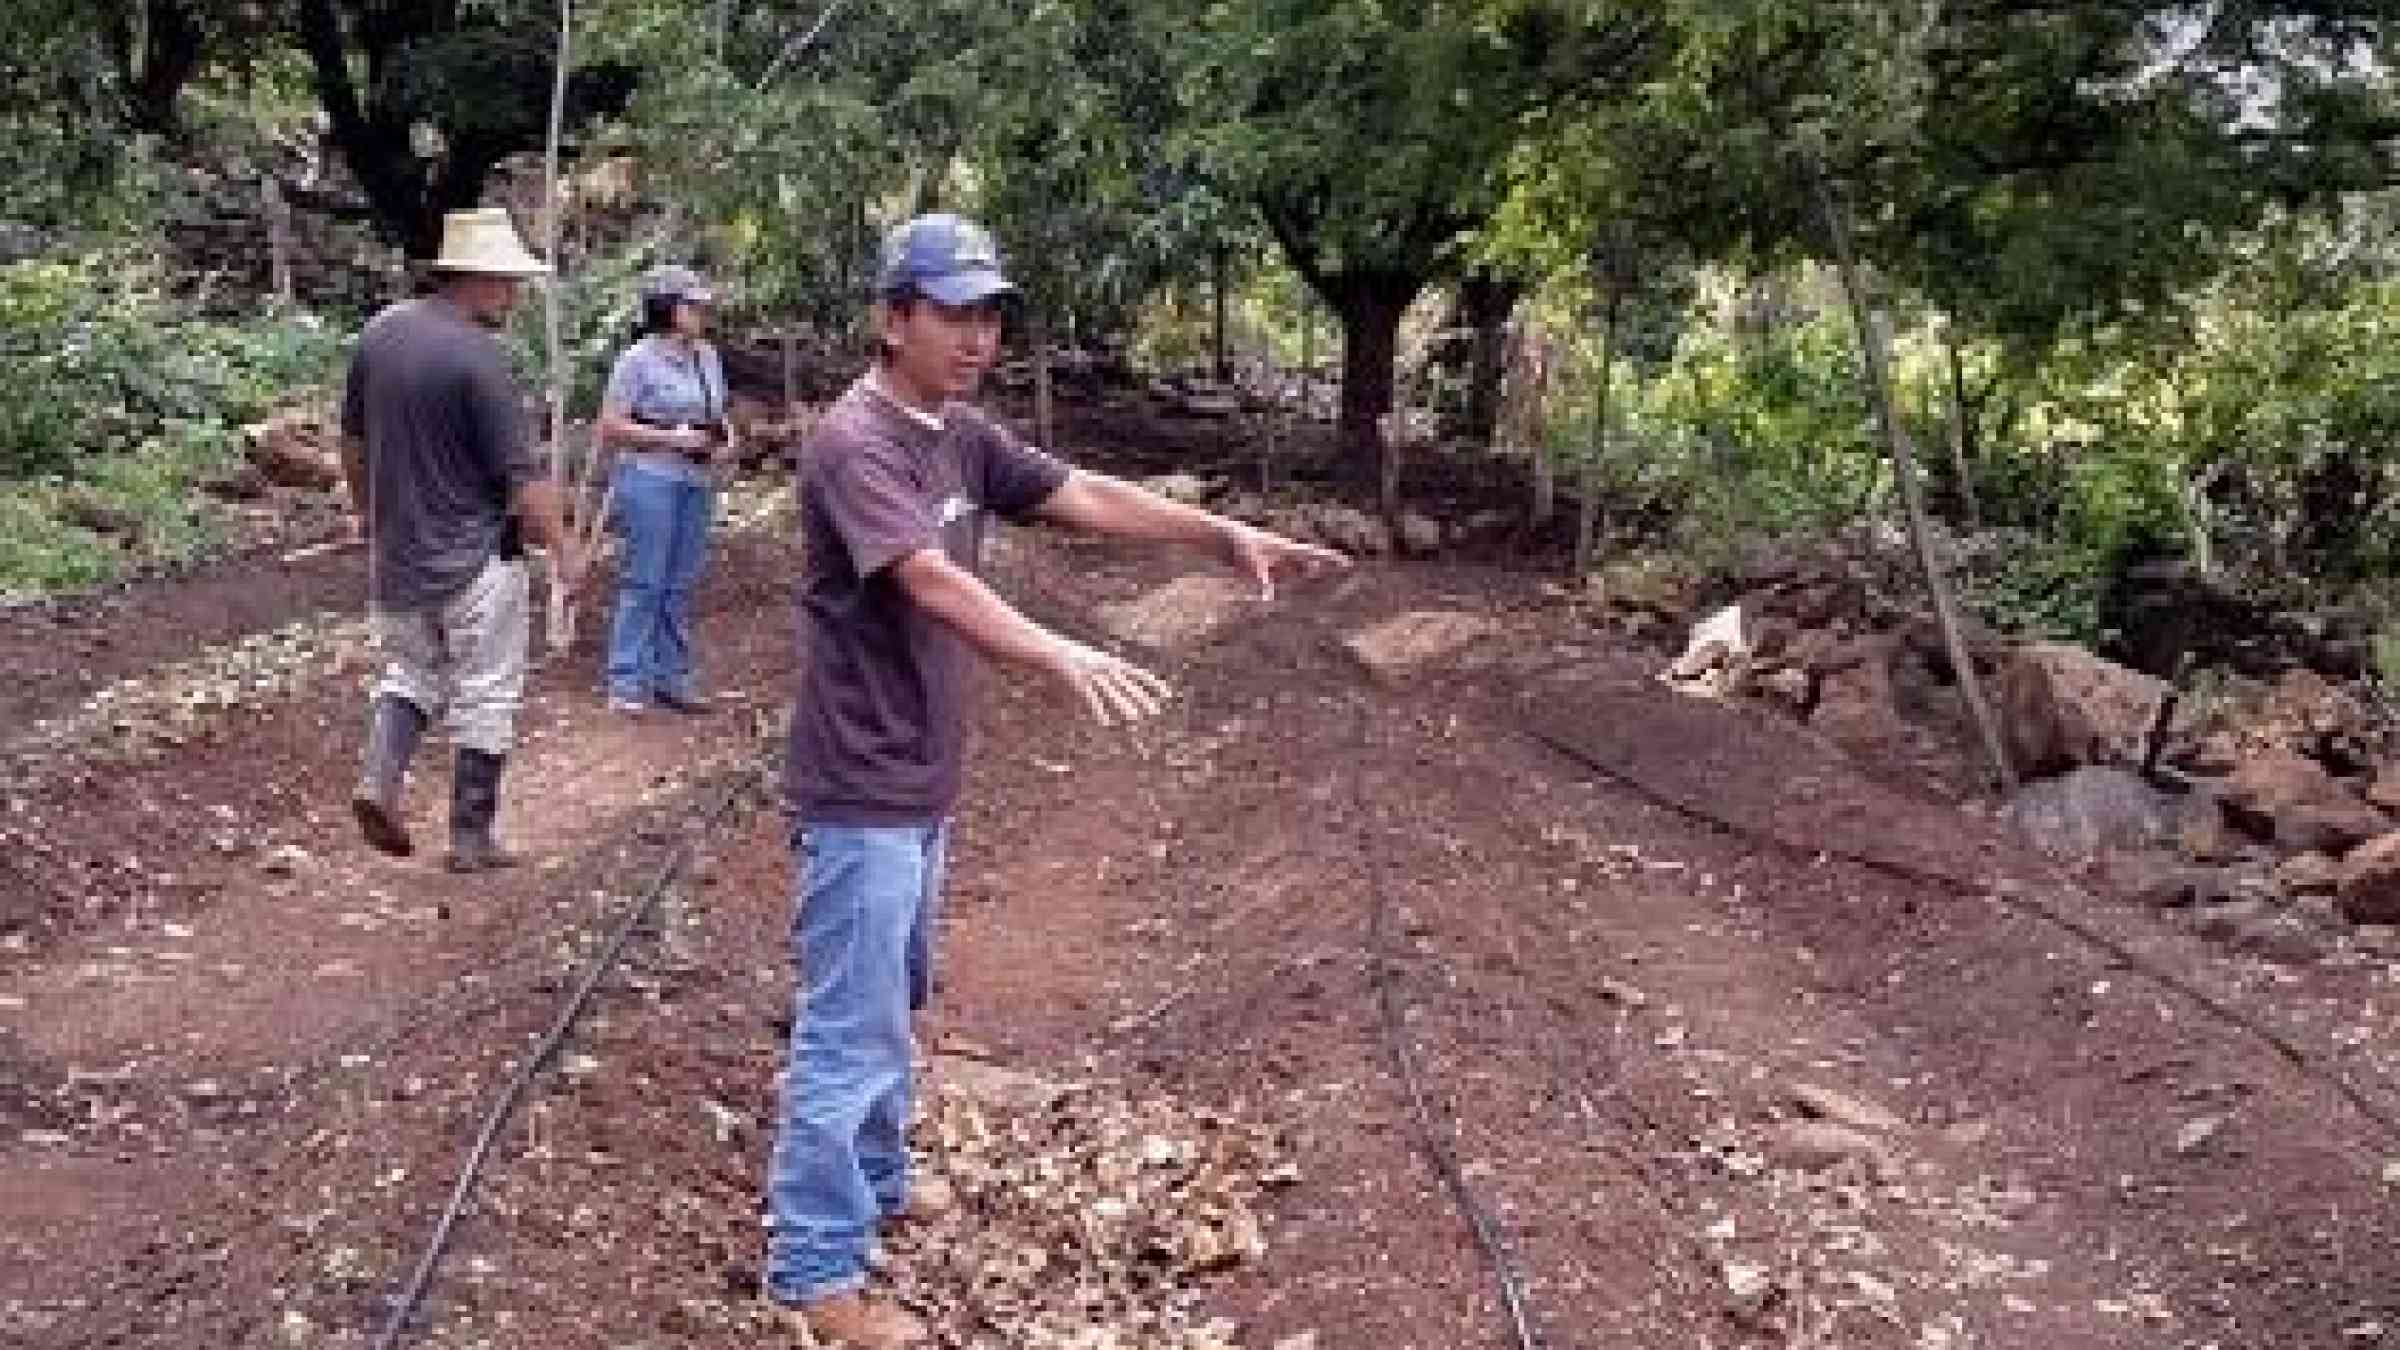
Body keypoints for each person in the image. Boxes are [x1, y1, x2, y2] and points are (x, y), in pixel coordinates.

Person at [763, 213, 1348, 1347]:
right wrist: (1054, 649)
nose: (977, 336)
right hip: (860, 787)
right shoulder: (857, 442)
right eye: (953, 313)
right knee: (851, 1027)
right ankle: (818, 1274)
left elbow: (1082, 493)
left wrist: (1217, 534)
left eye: (989, 315)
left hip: (920, 780)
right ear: (895, 319)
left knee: (899, 1004)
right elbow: (929, 582)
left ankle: (874, 1194)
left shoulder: (958, 434)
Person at [340, 207, 586, 873]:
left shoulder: (380, 334)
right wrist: (564, 548)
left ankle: (380, 777)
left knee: (410, 672)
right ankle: (470, 836)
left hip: (399, 554)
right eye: (506, 282)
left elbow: (353, 443)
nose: (512, 295)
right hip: (476, 555)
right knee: (488, 688)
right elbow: (522, 480)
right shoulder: (481, 360)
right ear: (476, 278)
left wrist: (368, 517)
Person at [594, 265, 733, 714]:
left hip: (696, 478)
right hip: (650, 476)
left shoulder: (707, 356)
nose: (701, 313)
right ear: (669, 310)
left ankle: (672, 677)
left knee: (680, 580)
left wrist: (725, 439)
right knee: (645, 578)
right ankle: (627, 679)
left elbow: (717, 411)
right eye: (692, 305)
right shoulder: (637, 360)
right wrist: (672, 439)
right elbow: (611, 425)